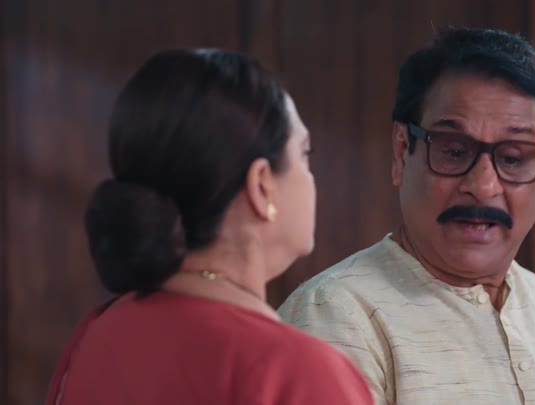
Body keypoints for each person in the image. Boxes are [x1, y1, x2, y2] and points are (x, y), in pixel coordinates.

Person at [278, 28, 535, 404]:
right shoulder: (334, 316)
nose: (483, 186)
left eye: (513, 157)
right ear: (401, 152)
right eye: (454, 151)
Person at [46, 49, 372, 405]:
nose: (311, 178)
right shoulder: (298, 374)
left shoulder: (95, 336)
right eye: (304, 154)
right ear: (262, 185)